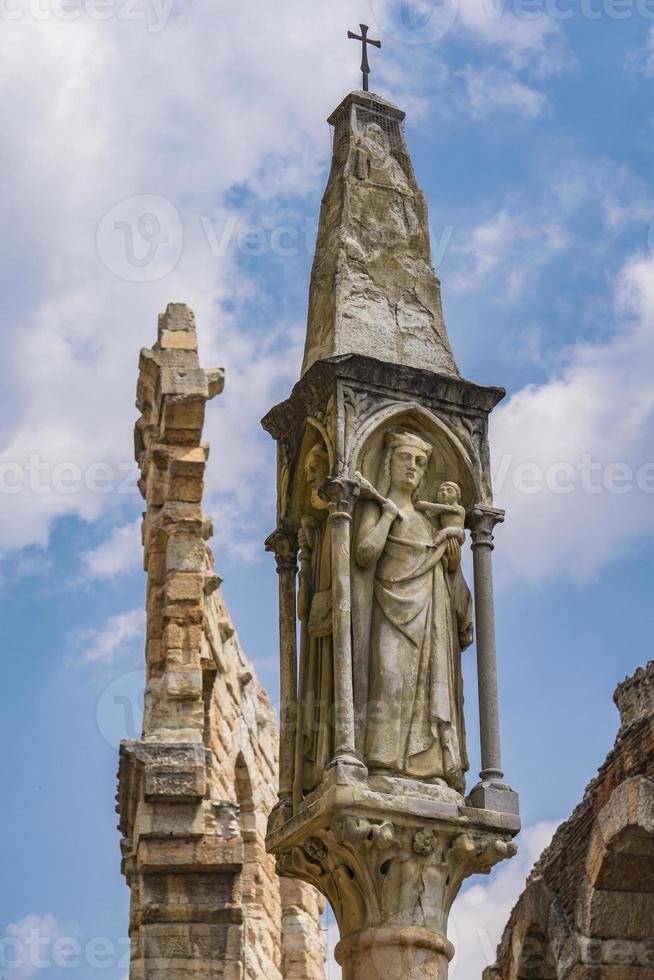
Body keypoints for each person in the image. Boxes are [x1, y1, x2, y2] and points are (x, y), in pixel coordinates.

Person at [354, 429, 472, 792]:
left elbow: (450, 577)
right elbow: (364, 554)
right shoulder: (377, 506)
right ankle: (383, 763)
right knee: (389, 678)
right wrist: (388, 516)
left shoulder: (427, 520)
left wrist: (451, 559)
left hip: (431, 619)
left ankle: (429, 767)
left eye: (420, 463)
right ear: (389, 463)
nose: (413, 467)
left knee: (432, 688)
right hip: (390, 611)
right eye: (406, 458)